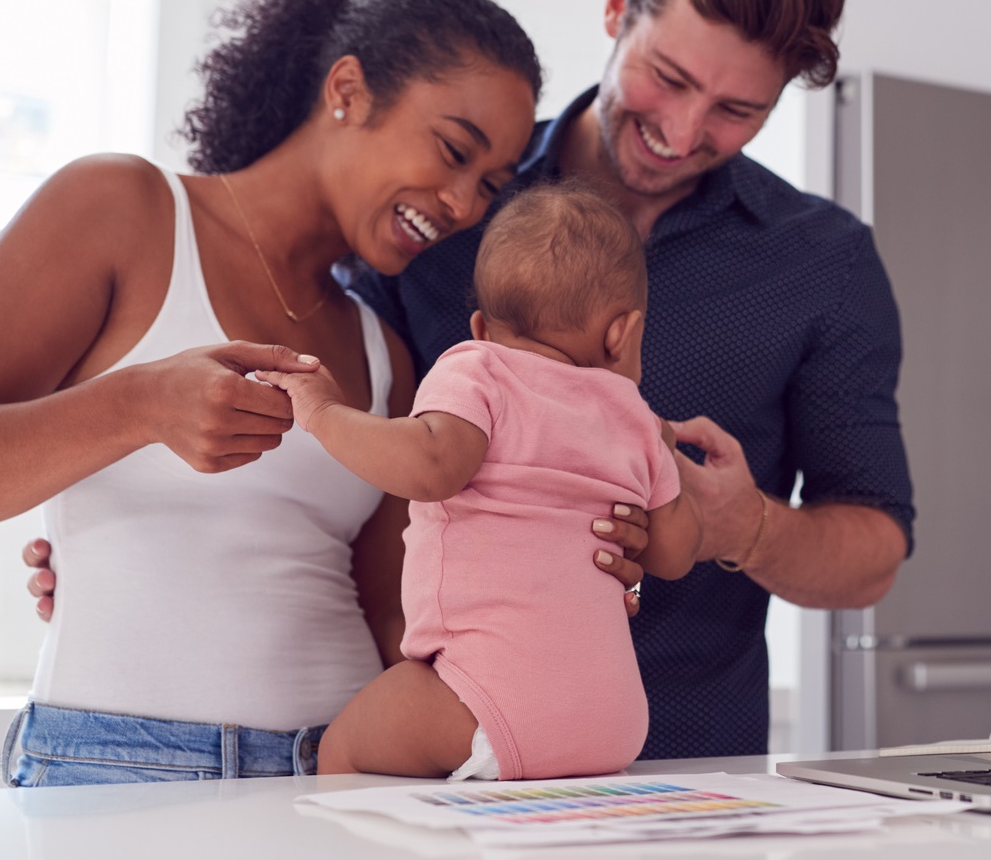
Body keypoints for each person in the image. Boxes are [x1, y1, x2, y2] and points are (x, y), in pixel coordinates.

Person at [0, 0, 650, 785]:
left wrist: (553, 580)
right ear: (347, 89)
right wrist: (140, 405)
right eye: (454, 150)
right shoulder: (124, 211)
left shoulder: (388, 353)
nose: (462, 202)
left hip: (339, 778)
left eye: (491, 184)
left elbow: (401, 614)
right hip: (119, 766)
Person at [349, 0, 917, 759]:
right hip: (443, 762)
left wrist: (743, 527)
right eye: (669, 77)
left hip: (691, 773)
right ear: (618, 5)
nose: (684, 132)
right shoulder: (450, 199)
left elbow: (874, 548)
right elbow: (324, 432)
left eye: (738, 111)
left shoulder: (822, 264)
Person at [272, 182, 700, 781]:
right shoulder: (636, 419)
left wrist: (322, 414)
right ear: (621, 332)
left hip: (487, 701)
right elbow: (676, 554)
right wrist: (666, 460)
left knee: (342, 748)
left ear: (479, 326)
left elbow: (431, 465)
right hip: (614, 725)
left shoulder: (479, 368)